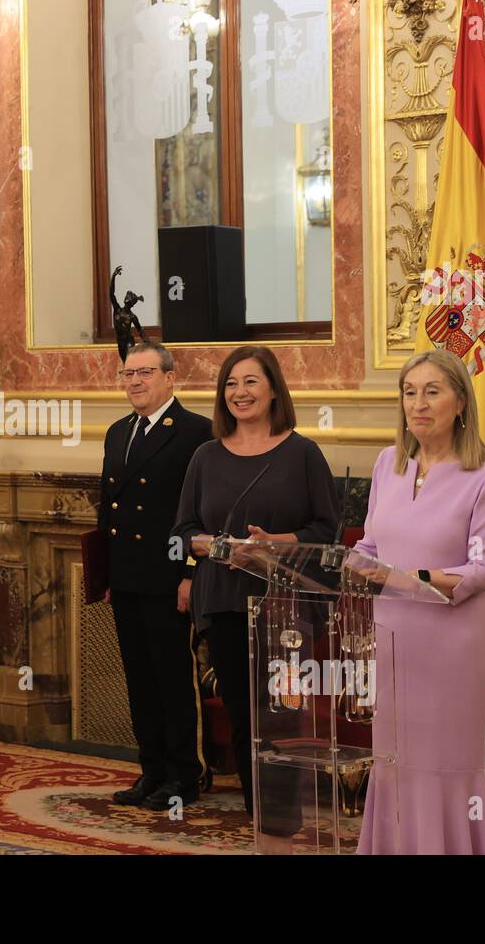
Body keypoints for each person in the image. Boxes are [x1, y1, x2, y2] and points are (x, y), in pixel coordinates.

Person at [173, 345, 339, 851]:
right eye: (230, 384)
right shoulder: (205, 455)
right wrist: (216, 547)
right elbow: (182, 532)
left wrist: (275, 545)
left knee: (283, 715)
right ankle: (261, 822)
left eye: (250, 382)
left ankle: (284, 824)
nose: (239, 393)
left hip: (286, 604)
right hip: (224, 601)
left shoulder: (303, 453)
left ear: (272, 390)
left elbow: (327, 531)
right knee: (246, 716)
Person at [353, 350, 485, 855]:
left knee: (442, 759)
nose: (417, 404)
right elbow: (371, 545)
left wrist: (410, 578)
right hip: (392, 635)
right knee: (395, 759)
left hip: (450, 642)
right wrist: (341, 561)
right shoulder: (387, 464)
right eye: (408, 392)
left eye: (432, 391)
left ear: (460, 402)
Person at [98, 341, 213, 811]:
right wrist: (103, 573)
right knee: (139, 679)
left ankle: (186, 776)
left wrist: (191, 574)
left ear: (170, 376)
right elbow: (110, 510)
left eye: (145, 372)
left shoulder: (197, 432)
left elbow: (201, 513)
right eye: (128, 374)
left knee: (172, 679)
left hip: (169, 579)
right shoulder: (117, 432)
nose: (135, 382)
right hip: (126, 577)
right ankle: (152, 771)